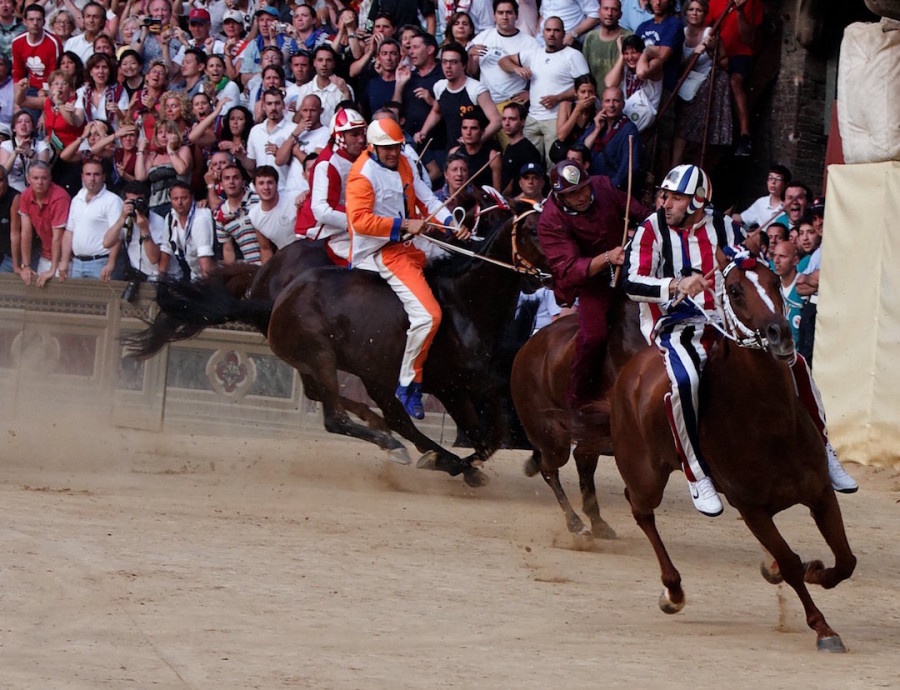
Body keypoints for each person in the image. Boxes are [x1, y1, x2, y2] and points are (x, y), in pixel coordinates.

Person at [623, 165, 856, 518]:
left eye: (675, 197)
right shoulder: (651, 229)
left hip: (726, 321)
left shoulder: (723, 226)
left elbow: (743, 266)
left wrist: (748, 252)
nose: (665, 202)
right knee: (688, 380)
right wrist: (674, 285)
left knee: (795, 363)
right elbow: (631, 282)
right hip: (674, 324)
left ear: (697, 201)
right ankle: (696, 473)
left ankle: (825, 450)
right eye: (665, 195)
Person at [345, 118, 465, 419]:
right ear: (372, 147)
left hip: (414, 242)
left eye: (397, 147)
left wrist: (450, 222)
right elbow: (359, 221)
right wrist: (403, 224)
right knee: (429, 316)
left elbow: (424, 195)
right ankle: (408, 383)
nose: (392, 153)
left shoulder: (404, 161)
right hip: (385, 250)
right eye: (386, 149)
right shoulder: (362, 175)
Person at [539, 159, 650, 413]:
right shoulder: (550, 220)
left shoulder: (602, 186)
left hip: (631, 268)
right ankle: (578, 400)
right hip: (593, 283)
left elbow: (639, 213)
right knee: (593, 336)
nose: (580, 196)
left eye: (583, 189)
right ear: (559, 196)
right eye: (572, 193)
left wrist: (651, 227)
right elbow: (569, 268)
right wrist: (607, 258)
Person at [499, 16, 589, 165]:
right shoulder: (534, 53)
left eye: (556, 30)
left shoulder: (573, 55)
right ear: (542, 33)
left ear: (563, 33)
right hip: (532, 118)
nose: (552, 34)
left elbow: (586, 89)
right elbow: (502, 61)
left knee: (553, 164)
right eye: (548, 30)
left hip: (556, 119)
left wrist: (558, 98)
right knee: (527, 165)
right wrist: (517, 68)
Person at [295, 107, 368, 264]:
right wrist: (361, 221)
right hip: (322, 231)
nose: (361, 139)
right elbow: (322, 211)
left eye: (362, 133)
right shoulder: (327, 164)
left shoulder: (362, 154)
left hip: (353, 223)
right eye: (354, 135)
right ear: (340, 136)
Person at [467, 0, 538, 147]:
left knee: (511, 149)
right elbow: (471, 71)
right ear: (494, 16)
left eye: (509, 13)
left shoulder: (530, 43)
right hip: (486, 106)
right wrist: (469, 56)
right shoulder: (483, 37)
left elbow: (542, 74)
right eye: (500, 13)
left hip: (512, 105)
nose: (505, 17)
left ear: (516, 16)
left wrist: (531, 93)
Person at [416, 42, 500, 153]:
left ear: (464, 65)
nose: (448, 67)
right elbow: (436, 111)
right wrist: (423, 132)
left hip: (479, 152)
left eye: (453, 62)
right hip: (453, 150)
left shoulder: (476, 89)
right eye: (444, 62)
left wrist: (475, 142)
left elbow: (497, 121)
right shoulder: (439, 86)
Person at [59, 158, 123, 282]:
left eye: (96, 174)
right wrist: (64, 261)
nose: (92, 178)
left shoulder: (113, 201)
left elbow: (118, 235)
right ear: (82, 177)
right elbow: (69, 232)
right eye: (88, 174)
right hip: (77, 263)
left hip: (101, 263)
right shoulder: (77, 199)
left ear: (103, 177)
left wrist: (110, 263)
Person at [17, 162, 70, 287]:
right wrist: (26, 265)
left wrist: (53, 269)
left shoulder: (59, 197)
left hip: (64, 259)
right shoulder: (26, 194)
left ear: (50, 179)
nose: (40, 182)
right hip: (45, 255)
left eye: (44, 178)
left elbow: (58, 237)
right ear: (28, 179)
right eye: (35, 178)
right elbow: (26, 232)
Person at [102, 180, 165, 279]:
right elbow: (106, 243)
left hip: (158, 275)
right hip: (137, 275)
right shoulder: (126, 220)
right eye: (132, 202)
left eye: (139, 201)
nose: (135, 206)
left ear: (147, 201)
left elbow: (154, 259)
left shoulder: (158, 221)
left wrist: (144, 229)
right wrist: (122, 218)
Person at [581, 85, 640, 188]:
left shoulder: (629, 129)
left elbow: (629, 166)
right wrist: (596, 130)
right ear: (602, 104)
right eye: (607, 101)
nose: (611, 105)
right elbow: (580, 150)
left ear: (623, 104)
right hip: (590, 184)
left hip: (612, 188)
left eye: (616, 101)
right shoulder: (597, 124)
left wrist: (612, 187)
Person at [159, 181, 215, 281]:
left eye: (184, 198)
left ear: (192, 198)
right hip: (194, 275)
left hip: (213, 276)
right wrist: (160, 280)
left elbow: (205, 259)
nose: (179, 202)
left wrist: (208, 289)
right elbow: (166, 250)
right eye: (175, 199)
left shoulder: (200, 217)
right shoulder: (170, 217)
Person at [215, 163, 269, 266]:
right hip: (252, 268)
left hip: (275, 262)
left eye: (235, 178)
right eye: (227, 178)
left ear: (243, 182)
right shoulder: (221, 215)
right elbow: (228, 250)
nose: (231, 182)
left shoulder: (259, 200)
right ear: (221, 184)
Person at [245, 88, 294, 184]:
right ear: (263, 106)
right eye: (269, 104)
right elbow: (252, 164)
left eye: (277, 103)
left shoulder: (293, 130)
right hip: (261, 189)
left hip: (285, 188)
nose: (273, 108)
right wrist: (242, 157)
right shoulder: (255, 130)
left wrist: (279, 154)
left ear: (283, 105)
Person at [582, 0, 633, 86]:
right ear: (599, 12)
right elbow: (585, 73)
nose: (609, 13)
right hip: (596, 97)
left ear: (620, 15)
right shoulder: (591, 37)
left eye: (614, 9)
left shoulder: (628, 37)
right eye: (606, 9)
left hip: (621, 97)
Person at [248, 166, 299, 251]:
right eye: (261, 183)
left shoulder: (295, 198)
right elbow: (265, 248)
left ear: (277, 185)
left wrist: (306, 193)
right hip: (288, 258)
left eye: (270, 182)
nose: (266, 187)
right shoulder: (254, 215)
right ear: (255, 187)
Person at [448, 112, 502, 190]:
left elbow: (497, 191)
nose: (468, 132)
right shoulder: (453, 153)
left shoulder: (493, 156)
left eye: (473, 128)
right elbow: (448, 184)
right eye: (465, 128)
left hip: (484, 200)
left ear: (482, 131)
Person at [500, 102, 543, 196]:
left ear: (522, 122)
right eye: (504, 119)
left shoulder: (529, 151)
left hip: (521, 205)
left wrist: (514, 202)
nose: (507, 123)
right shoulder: (509, 147)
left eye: (512, 119)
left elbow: (534, 185)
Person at [732, 164, 790, 232]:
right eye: (770, 178)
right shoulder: (761, 203)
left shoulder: (789, 205)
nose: (773, 182)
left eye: (778, 179)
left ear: (786, 184)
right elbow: (743, 218)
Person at [771, 238, 802, 346]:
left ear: (796, 260)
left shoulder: (804, 289)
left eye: (782, 256)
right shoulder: (772, 289)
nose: (776, 260)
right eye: (774, 255)